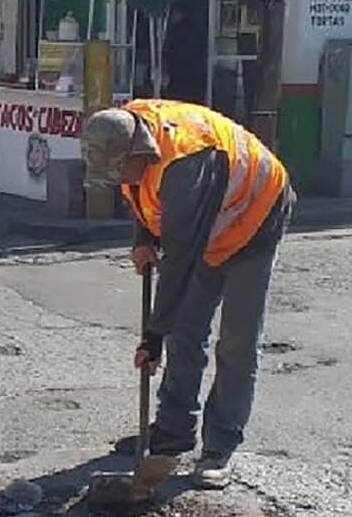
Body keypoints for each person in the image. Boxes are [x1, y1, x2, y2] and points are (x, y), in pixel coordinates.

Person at [80, 99, 294, 490]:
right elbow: (138, 192)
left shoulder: (185, 167)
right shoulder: (126, 127)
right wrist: (142, 237)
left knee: (237, 342)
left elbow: (179, 262)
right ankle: (172, 434)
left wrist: (153, 338)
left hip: (256, 219)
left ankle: (219, 447)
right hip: (207, 227)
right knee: (187, 331)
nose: (116, 181)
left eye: (118, 172)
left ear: (138, 152)